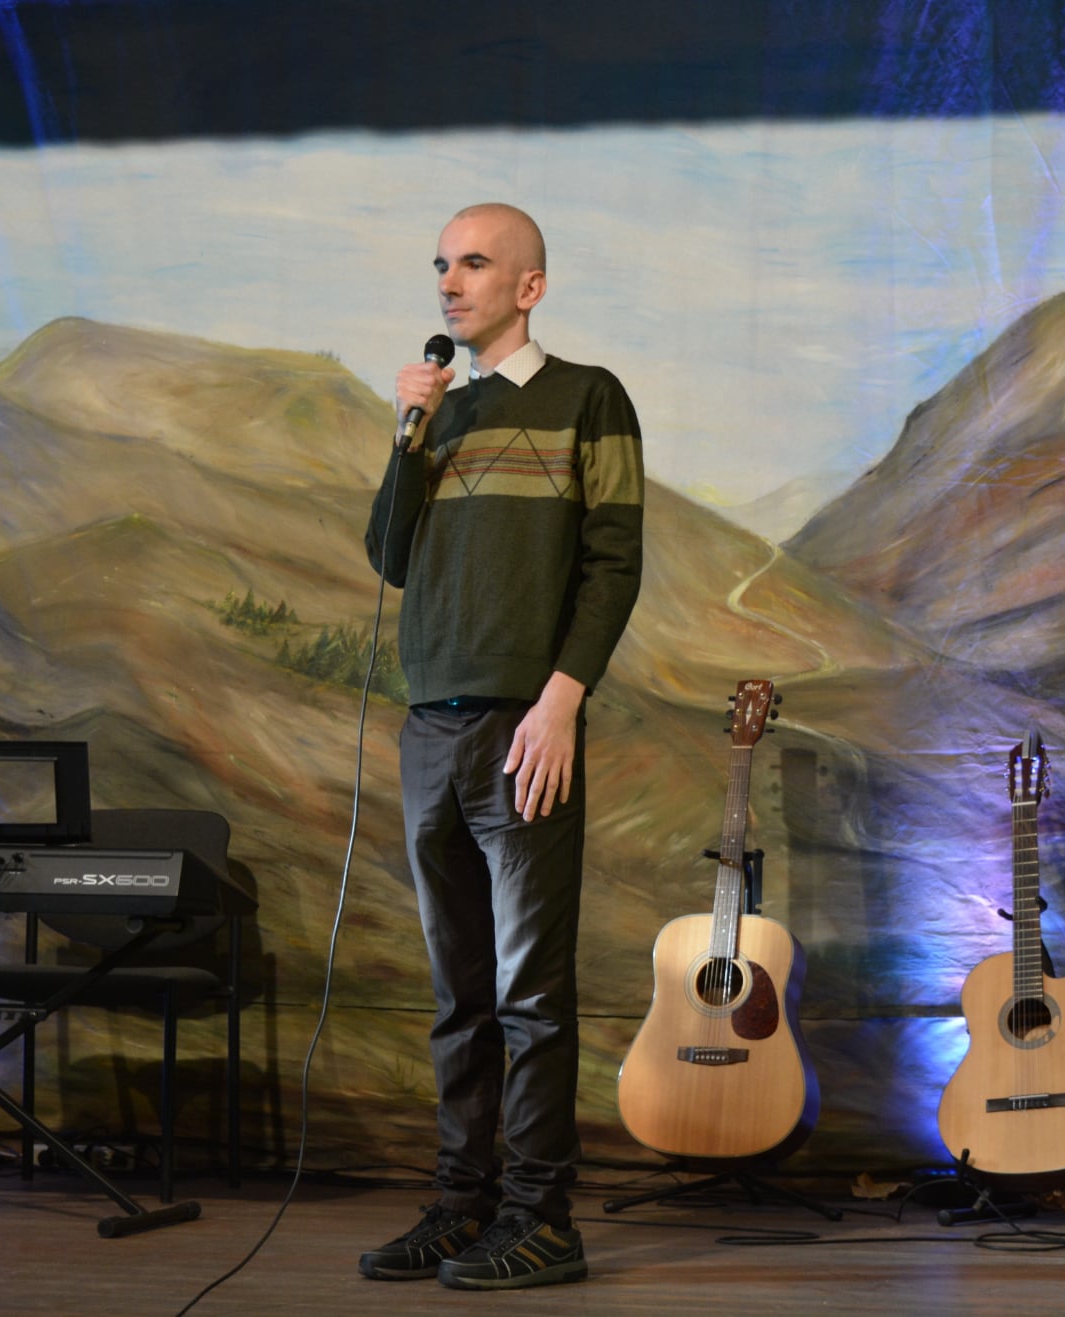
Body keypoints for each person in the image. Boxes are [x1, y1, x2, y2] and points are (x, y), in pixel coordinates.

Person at [358, 203, 643, 1290]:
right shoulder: (439, 410)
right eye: (441, 264)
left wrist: (562, 700)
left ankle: (541, 1219)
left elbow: (614, 561)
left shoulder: (589, 398)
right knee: (459, 995)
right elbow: (390, 556)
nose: (449, 282)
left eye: (473, 263)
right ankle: (460, 1206)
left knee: (530, 994)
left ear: (528, 287)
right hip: (429, 727)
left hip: (527, 728)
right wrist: (408, 433)